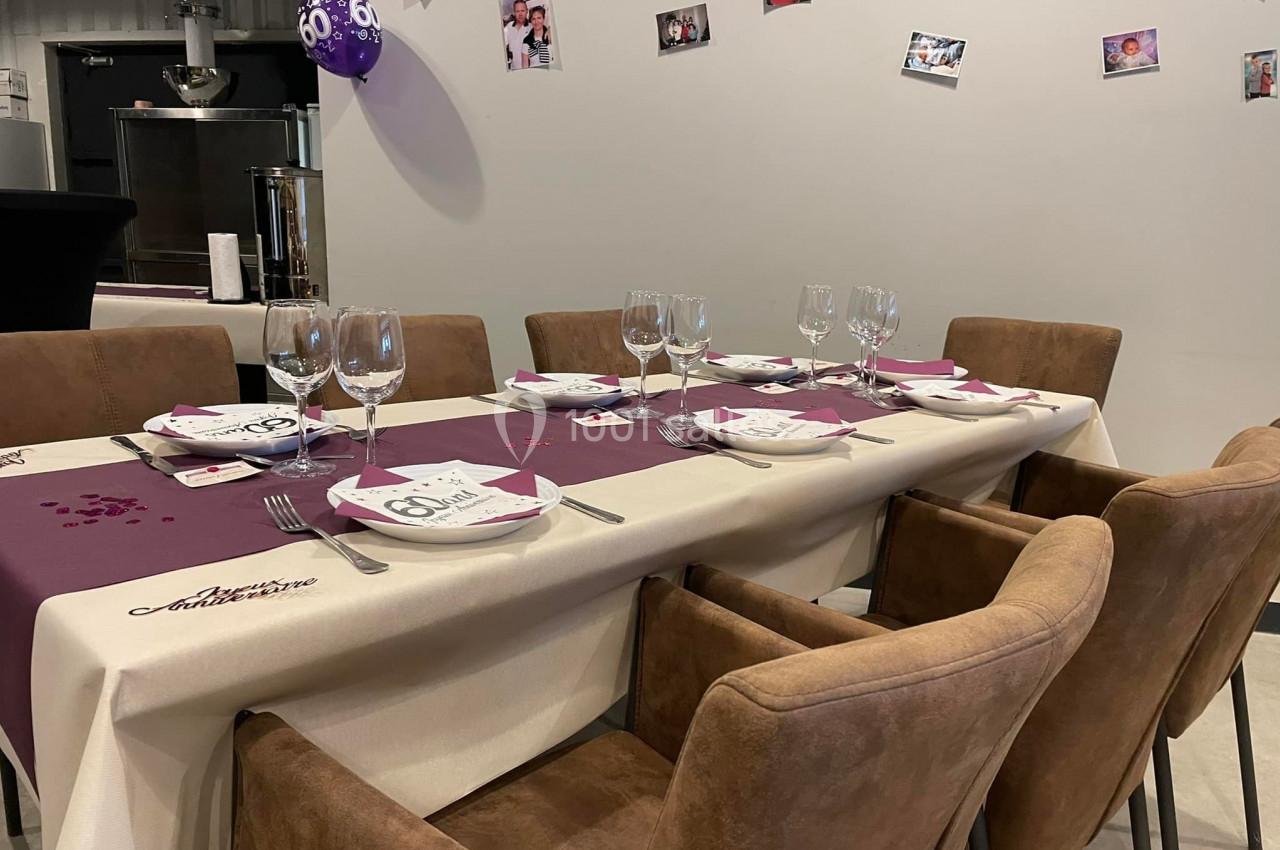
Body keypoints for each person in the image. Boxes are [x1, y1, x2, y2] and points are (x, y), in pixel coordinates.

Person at [504, 0, 531, 72]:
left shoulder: (532, 27)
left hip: (530, 70)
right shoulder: (508, 27)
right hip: (514, 70)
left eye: (522, 10)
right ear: (514, 12)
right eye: (517, 11)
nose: (520, 14)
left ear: (527, 11)